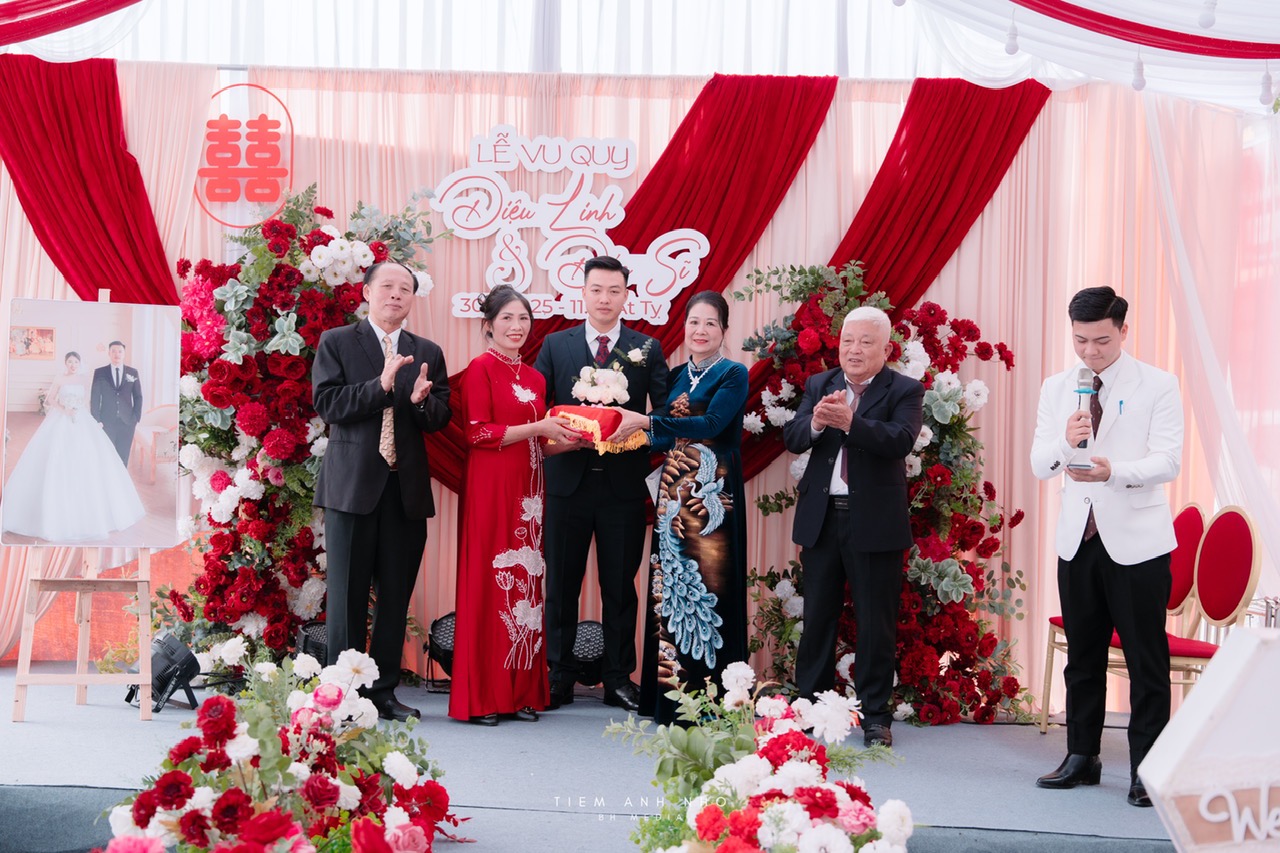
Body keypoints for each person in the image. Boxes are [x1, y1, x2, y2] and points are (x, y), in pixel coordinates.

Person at [1031, 286, 1183, 808]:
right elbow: (1041, 464)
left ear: (1123, 331)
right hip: (1078, 538)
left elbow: (1168, 461)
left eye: (1101, 340)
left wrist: (1113, 470)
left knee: (1146, 659)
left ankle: (1148, 770)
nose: (1089, 351)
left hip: (1138, 543)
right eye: (1080, 340)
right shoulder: (1057, 387)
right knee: (1083, 656)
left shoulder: (1158, 384)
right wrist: (1064, 441)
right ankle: (1082, 756)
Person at [312, 260, 451, 722]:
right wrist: (381, 386)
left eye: (405, 288)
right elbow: (328, 404)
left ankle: (383, 692)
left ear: (413, 298)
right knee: (346, 598)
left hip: (404, 490)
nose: (396, 294)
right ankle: (343, 693)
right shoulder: (337, 341)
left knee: (394, 599)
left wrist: (422, 403)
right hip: (351, 490)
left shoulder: (426, 350)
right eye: (387, 286)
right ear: (367, 292)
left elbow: (440, 418)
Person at [782, 306, 924, 748]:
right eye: (847, 341)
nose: (854, 350)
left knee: (875, 622)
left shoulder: (905, 389)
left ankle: (875, 716)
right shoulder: (819, 384)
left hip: (875, 521)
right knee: (817, 617)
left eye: (865, 342)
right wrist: (815, 421)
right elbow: (793, 437)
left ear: (886, 348)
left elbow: (900, 441)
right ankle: (812, 706)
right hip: (822, 518)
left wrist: (852, 423)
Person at [534, 255, 669, 712]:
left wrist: (637, 427)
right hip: (566, 484)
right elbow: (537, 409)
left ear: (626, 295)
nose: (605, 299)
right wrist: (559, 433)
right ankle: (558, 675)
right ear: (583, 293)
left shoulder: (646, 347)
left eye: (614, 291)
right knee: (561, 586)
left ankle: (617, 678)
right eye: (597, 290)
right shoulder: (556, 344)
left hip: (623, 487)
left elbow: (663, 416)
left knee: (620, 587)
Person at [448, 285, 582, 726]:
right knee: (492, 583)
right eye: (506, 317)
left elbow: (537, 445)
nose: (516, 326)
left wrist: (572, 442)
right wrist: (540, 427)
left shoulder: (535, 378)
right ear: (488, 325)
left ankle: (522, 691)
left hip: (529, 490)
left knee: (526, 585)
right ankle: (484, 697)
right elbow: (478, 434)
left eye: (523, 318)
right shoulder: (480, 369)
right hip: (491, 486)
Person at [614, 291, 749, 724]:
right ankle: (668, 701)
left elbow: (712, 424)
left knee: (711, 586)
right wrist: (615, 432)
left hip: (711, 498)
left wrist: (647, 421)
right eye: (694, 322)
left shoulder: (733, 374)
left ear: (724, 330)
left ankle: (710, 703)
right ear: (684, 327)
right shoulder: (675, 375)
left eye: (710, 323)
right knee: (667, 589)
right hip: (673, 496)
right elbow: (663, 436)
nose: (700, 331)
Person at [3, 351, 145, 541]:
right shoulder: (60, 378)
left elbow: (89, 400)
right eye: (69, 361)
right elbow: (50, 399)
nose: (72, 365)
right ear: (65, 363)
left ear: (79, 363)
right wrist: (64, 409)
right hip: (62, 417)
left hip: (81, 418)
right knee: (55, 456)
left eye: (75, 362)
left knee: (90, 458)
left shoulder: (84, 379)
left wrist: (81, 410)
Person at [91, 340, 143, 466]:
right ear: (109, 353)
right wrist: (97, 420)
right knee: (106, 455)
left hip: (127, 422)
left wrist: (135, 418)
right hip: (106, 422)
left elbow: (138, 397)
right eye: (113, 351)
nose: (117, 354)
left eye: (120, 351)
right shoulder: (100, 372)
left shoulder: (133, 372)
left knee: (123, 456)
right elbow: (95, 397)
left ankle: (122, 478)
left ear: (124, 353)